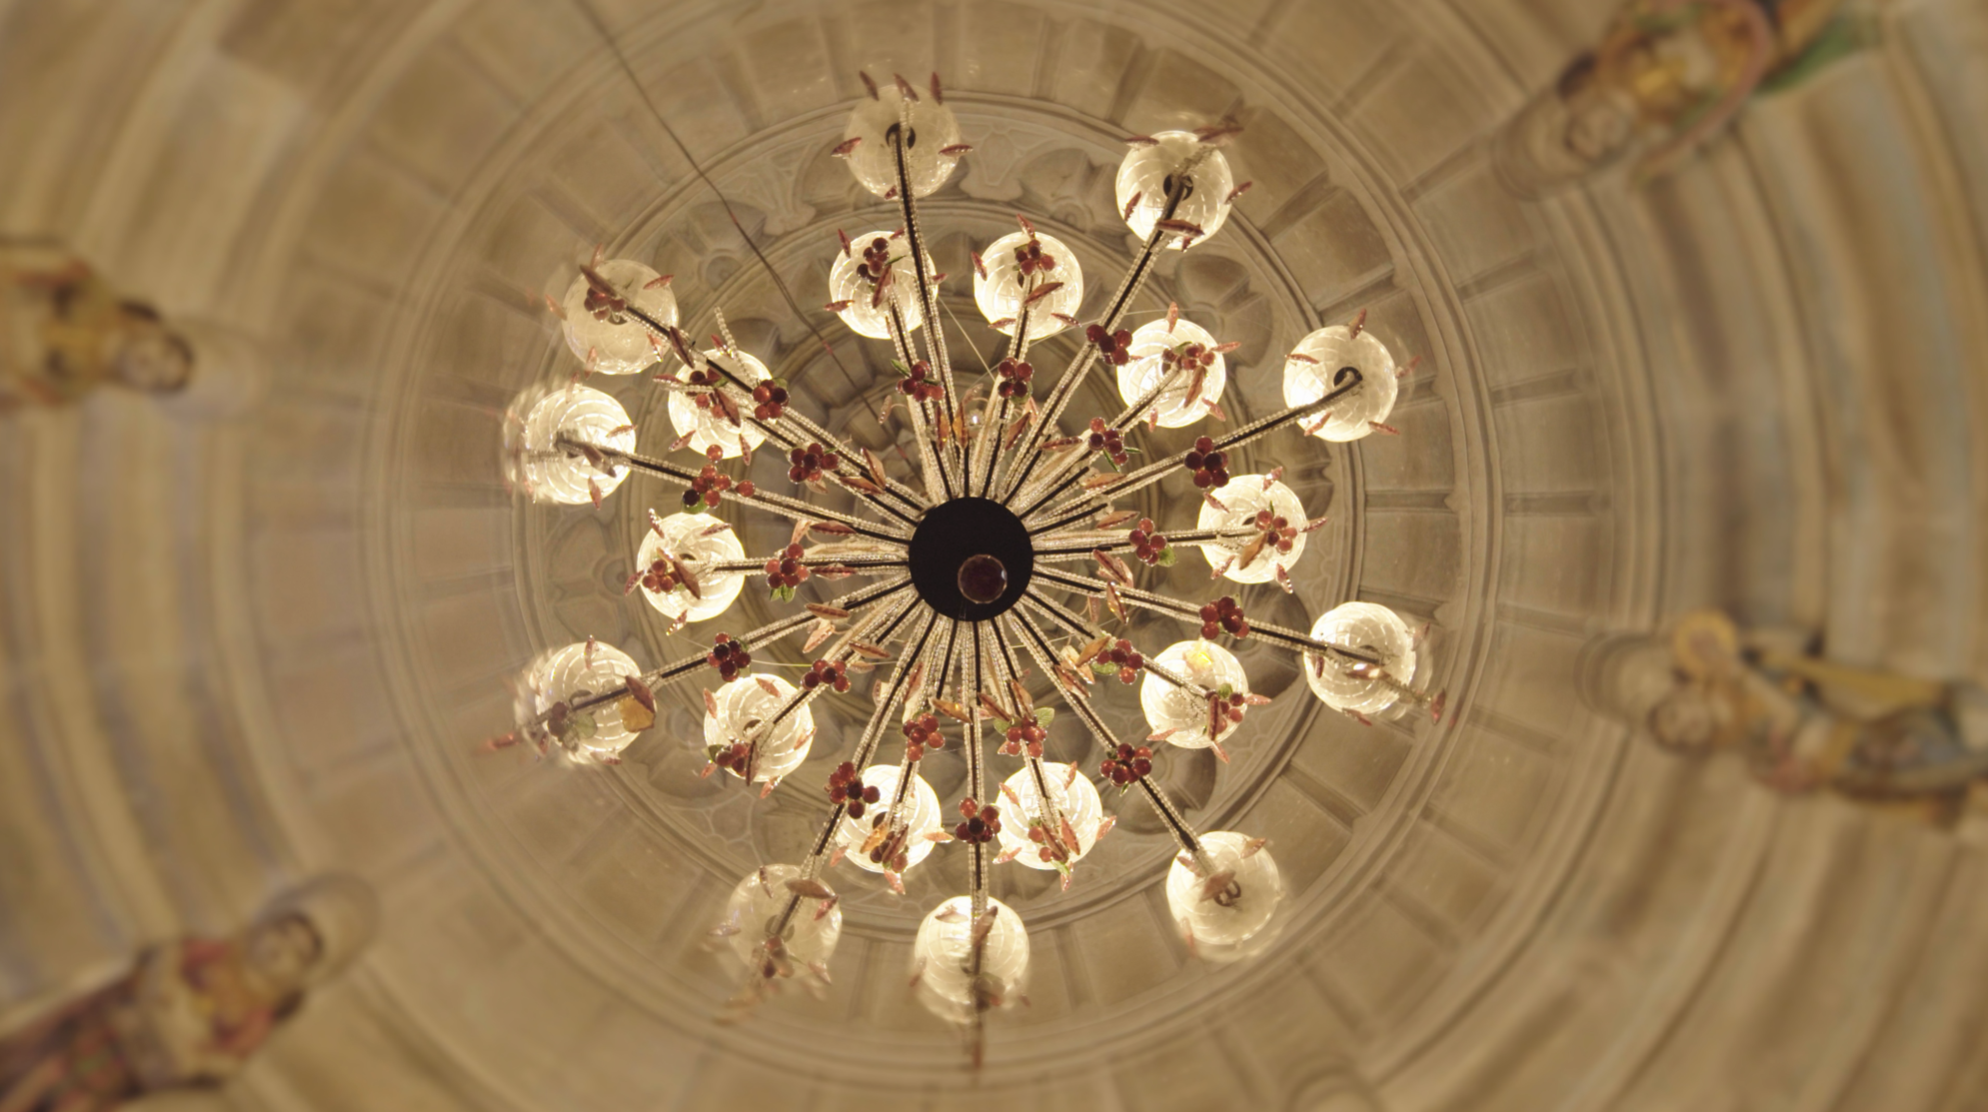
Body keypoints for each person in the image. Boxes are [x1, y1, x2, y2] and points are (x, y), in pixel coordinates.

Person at [0, 876, 377, 1112]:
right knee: (34, 1079)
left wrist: (179, 1045)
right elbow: (166, 956)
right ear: (266, 924)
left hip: (119, 1073)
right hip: (92, 1037)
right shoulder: (218, 954)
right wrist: (159, 986)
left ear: (304, 974)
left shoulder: (256, 1018)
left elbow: (213, 1064)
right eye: (282, 933)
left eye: (297, 954)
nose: (279, 950)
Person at [1646, 610, 1988, 827]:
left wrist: (1737, 667)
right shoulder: (1734, 743)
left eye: (1674, 716)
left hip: (1842, 738)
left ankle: (1973, 764)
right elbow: (1792, 774)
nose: (1685, 726)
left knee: (1919, 759)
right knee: (1908, 776)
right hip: (1841, 766)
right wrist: (1792, 772)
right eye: (1680, 737)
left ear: (1683, 697)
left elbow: (1792, 703)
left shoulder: (1734, 677)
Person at [1496, 0, 1868, 193]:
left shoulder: (1613, 60)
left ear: (1578, 110)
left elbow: (1652, 16)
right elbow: (1720, 106)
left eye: (1588, 131)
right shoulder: (1663, 118)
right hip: (1752, 42)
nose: (1604, 131)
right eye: (1604, 146)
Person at [1, 238, 194, 413]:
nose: (152, 363)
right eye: (165, 353)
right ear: (155, 333)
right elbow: (55, 270)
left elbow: (22, 391)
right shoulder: (100, 297)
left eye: (158, 378)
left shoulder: (80, 385)